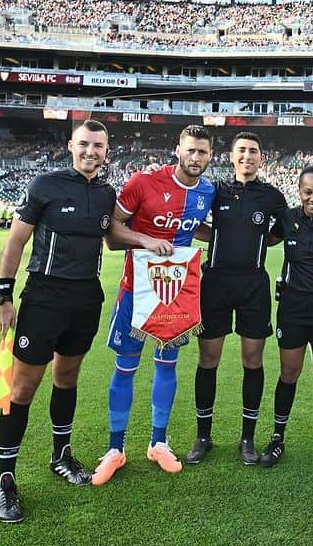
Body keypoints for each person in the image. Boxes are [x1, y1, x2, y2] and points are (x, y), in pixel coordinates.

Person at [0, 120, 117, 523]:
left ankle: (60, 455)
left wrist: (152, 242)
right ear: (71, 146)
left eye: (98, 145)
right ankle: (5, 478)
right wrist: (4, 296)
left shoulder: (105, 193)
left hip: (85, 298)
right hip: (43, 297)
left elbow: (114, 237)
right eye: (84, 144)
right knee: (22, 388)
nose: (91, 151)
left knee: (67, 379)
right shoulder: (45, 185)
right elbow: (15, 242)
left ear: (106, 150)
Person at [92, 125, 216, 483]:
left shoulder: (207, 191)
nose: (195, 158)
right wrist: (146, 239)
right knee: (125, 368)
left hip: (176, 295)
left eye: (202, 152)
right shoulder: (143, 182)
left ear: (210, 156)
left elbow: (201, 228)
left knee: (167, 366)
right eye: (190, 150)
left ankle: (158, 443)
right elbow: (112, 230)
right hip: (136, 291)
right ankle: (115, 449)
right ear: (178, 149)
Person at [184, 132, 288, 466]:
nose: (247, 156)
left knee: (252, 361)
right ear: (230, 156)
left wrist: (255, 239)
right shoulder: (214, 190)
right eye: (241, 151)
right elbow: (194, 224)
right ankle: (203, 436)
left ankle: (247, 438)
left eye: (253, 151)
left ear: (262, 158)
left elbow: (280, 233)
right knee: (208, 360)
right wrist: (218, 236)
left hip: (253, 285)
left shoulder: (272, 196)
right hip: (215, 282)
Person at [257, 165, 313, 470]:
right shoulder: (286, 218)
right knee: (289, 374)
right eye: (308, 192)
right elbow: (266, 239)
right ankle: (277, 437)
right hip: (293, 309)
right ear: (299, 192)